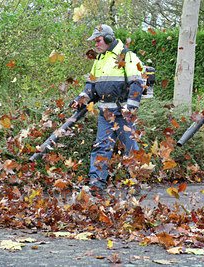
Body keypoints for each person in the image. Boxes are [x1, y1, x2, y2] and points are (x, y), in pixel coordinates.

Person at [69, 24, 144, 197]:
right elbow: (91, 86)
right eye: (94, 41)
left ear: (109, 39)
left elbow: (137, 82)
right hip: (105, 113)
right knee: (101, 148)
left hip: (123, 112)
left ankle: (135, 184)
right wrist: (81, 99)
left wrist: (130, 108)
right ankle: (96, 185)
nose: (96, 44)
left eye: (98, 40)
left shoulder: (127, 56)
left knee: (130, 149)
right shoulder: (99, 59)